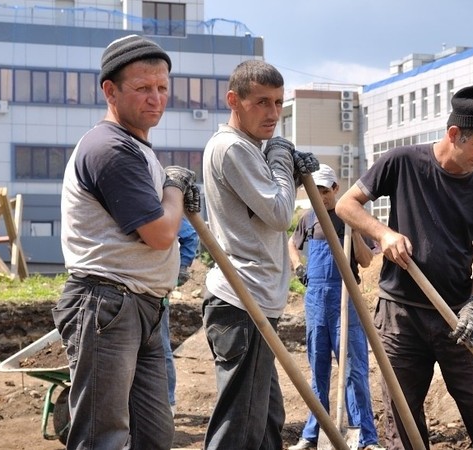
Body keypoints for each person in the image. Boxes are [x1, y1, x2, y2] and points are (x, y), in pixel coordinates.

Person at [336, 85, 473, 450]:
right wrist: (384, 234)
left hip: (455, 317)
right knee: (403, 418)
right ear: (454, 135)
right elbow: (346, 205)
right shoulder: (403, 162)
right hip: (400, 314)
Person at [52, 34, 200, 450]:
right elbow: (159, 233)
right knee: (103, 438)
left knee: (154, 435)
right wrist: (174, 186)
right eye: (143, 89)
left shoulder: (137, 147)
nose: (156, 99)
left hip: (142, 306)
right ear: (110, 90)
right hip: (107, 305)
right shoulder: (110, 148)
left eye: (162, 88)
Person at [200, 59, 319, 450]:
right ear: (234, 100)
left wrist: (276, 156)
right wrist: (282, 156)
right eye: (262, 102)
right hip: (241, 301)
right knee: (240, 427)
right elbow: (281, 212)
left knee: (266, 420)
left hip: (255, 301)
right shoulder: (234, 148)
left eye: (279, 103)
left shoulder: (253, 149)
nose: (272, 114)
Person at [286, 164, 384, 450]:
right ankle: (313, 433)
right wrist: (298, 268)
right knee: (318, 370)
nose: (322, 197)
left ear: (336, 189)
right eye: (315, 191)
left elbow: (366, 262)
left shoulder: (349, 216)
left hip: (345, 300)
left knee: (354, 369)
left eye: (326, 191)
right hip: (316, 300)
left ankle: (364, 437)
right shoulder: (308, 219)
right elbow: (292, 245)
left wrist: (353, 233)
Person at [160, 216, 200, 417]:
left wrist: (182, 267)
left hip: (157, 286)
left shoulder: (158, 201)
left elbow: (190, 235)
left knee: (160, 345)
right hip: (140, 284)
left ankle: (168, 402)